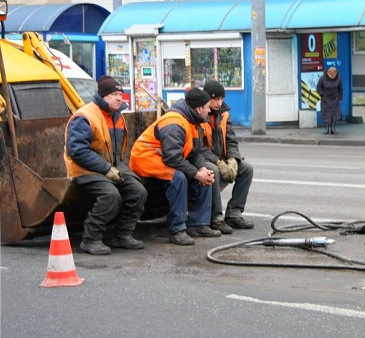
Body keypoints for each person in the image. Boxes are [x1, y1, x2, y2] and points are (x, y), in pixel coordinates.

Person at [64, 75, 147, 255]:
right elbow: (77, 151)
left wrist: (114, 168)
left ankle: (123, 235)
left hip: (111, 167)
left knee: (138, 191)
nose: (119, 98)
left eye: (120, 94)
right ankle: (91, 239)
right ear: (102, 95)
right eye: (113, 94)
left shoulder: (117, 116)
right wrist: (106, 169)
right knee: (111, 195)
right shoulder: (85, 116)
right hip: (84, 170)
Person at [129, 88, 221, 246]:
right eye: (207, 107)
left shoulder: (193, 121)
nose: (209, 110)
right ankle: (177, 230)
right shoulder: (174, 122)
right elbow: (172, 157)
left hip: (164, 159)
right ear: (199, 109)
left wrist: (201, 169)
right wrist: (195, 173)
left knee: (206, 174)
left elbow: (195, 153)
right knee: (178, 177)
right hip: (145, 160)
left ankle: (199, 224)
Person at [200, 80, 255, 233]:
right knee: (214, 172)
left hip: (221, 158)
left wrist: (233, 160)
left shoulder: (224, 115)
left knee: (246, 169)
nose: (219, 102)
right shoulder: (199, 114)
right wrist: (217, 162)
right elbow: (198, 148)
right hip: (203, 160)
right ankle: (216, 218)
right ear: (206, 98)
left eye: (221, 99)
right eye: (215, 99)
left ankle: (234, 213)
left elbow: (231, 141)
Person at [316, 66, 343, 134]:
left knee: (335, 113)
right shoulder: (322, 78)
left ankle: (333, 128)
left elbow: (340, 89)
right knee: (326, 113)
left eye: (333, 75)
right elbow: (318, 87)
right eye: (330, 75)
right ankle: (327, 128)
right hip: (326, 98)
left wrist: (340, 98)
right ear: (328, 73)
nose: (332, 77)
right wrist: (322, 94)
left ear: (336, 73)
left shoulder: (338, 78)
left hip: (335, 98)